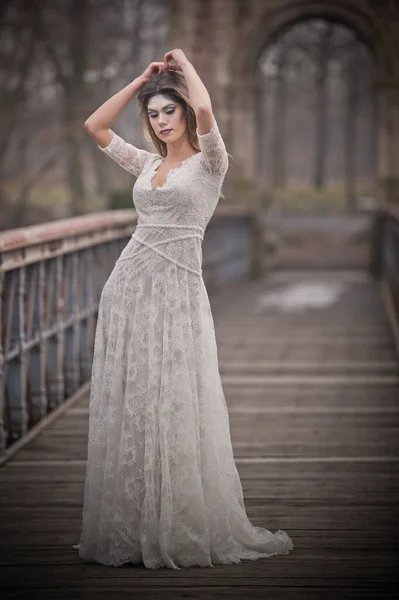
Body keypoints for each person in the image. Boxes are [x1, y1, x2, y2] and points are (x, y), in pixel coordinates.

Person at [73, 48, 294, 570]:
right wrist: (141, 82)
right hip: (127, 289)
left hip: (177, 294)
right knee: (134, 399)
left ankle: (176, 521)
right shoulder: (146, 162)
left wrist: (184, 66)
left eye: (169, 111)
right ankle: (131, 522)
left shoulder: (209, 163)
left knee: (174, 396)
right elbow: (95, 125)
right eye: (153, 115)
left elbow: (208, 109)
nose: (161, 121)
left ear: (185, 114)